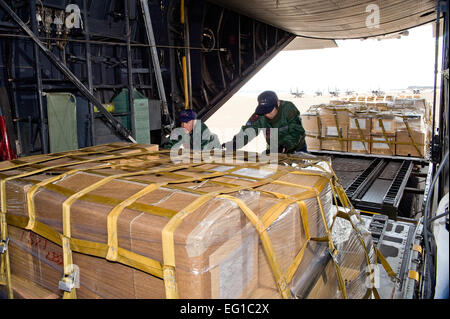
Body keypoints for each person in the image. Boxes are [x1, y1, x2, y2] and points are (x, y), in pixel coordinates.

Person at [223, 90, 307, 154]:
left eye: (269, 111)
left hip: (296, 148)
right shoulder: (260, 114)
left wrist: (284, 146)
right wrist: (235, 143)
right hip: (274, 149)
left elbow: (297, 131)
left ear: (277, 104)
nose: (266, 114)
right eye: (264, 111)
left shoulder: (289, 109)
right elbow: (249, 130)